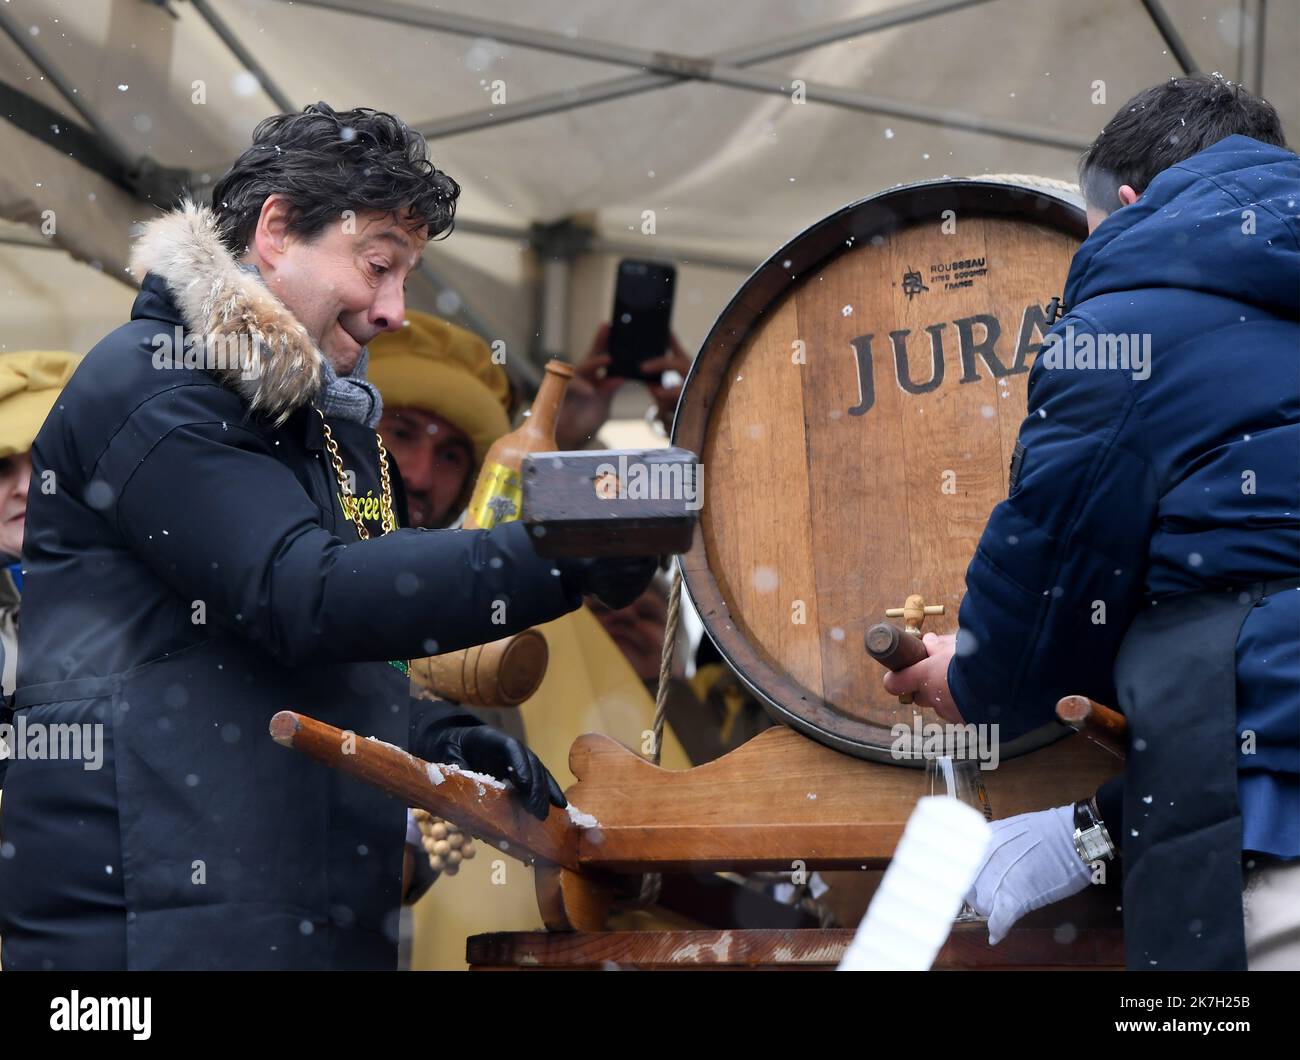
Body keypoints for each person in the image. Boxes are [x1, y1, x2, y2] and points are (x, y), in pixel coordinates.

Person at [0, 102, 654, 971]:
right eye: (379, 265)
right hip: (149, 933)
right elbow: (300, 595)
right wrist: (558, 556)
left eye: (407, 276)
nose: (394, 309)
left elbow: (291, 661)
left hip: (277, 918)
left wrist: (426, 740)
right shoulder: (154, 388)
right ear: (275, 229)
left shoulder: (320, 424)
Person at [882, 75, 1298, 970]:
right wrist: (1093, 829)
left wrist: (980, 679)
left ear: (1129, 202)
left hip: (1261, 810)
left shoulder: (1126, 329)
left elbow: (1058, 561)